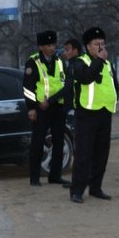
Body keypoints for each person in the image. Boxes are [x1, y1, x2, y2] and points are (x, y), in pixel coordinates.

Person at [68, 27, 119, 204]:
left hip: (105, 112)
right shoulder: (79, 62)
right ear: (88, 46)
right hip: (87, 113)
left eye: (103, 44)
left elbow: (113, 84)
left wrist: (115, 98)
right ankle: (77, 191)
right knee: (83, 153)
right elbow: (86, 78)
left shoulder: (107, 64)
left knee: (101, 153)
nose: (101, 47)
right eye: (97, 44)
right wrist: (98, 61)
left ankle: (96, 188)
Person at [23, 30, 70, 187]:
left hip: (58, 106)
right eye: (48, 45)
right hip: (41, 108)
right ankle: (34, 178)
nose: (52, 48)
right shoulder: (33, 62)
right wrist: (31, 108)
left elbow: (64, 82)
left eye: (53, 44)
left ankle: (55, 176)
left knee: (59, 141)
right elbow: (28, 87)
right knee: (38, 142)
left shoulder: (59, 61)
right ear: (41, 47)